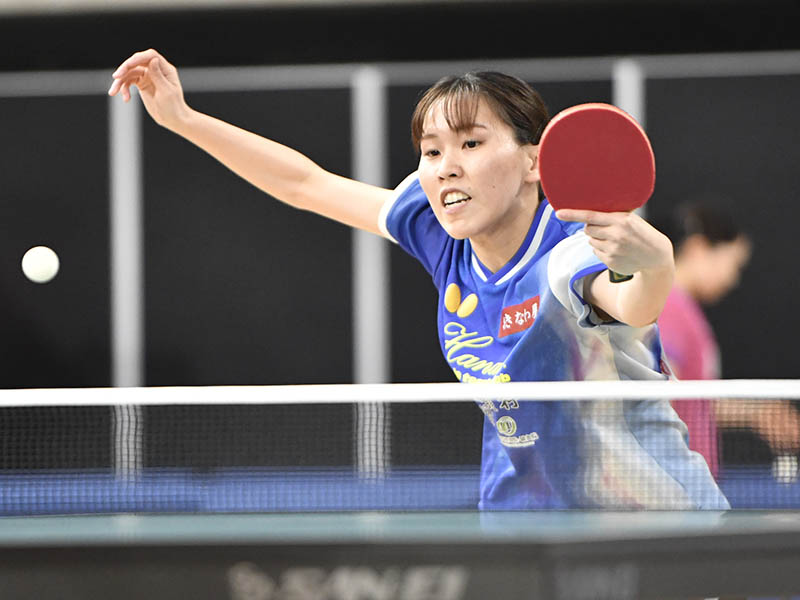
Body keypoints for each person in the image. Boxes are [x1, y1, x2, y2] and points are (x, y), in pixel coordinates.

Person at [109, 50, 728, 509]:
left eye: (471, 143)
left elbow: (630, 303)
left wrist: (656, 265)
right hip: (523, 524)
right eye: (432, 151)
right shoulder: (436, 229)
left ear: (534, 160)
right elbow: (306, 185)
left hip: (655, 525)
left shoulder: (565, 255)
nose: (446, 167)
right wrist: (183, 119)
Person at [657, 205, 799, 477]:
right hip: (674, 484)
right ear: (699, 248)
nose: (733, 279)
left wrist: (757, 413)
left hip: (689, 483)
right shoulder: (669, 306)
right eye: (733, 263)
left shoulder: (683, 308)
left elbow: (692, 397)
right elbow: (661, 395)